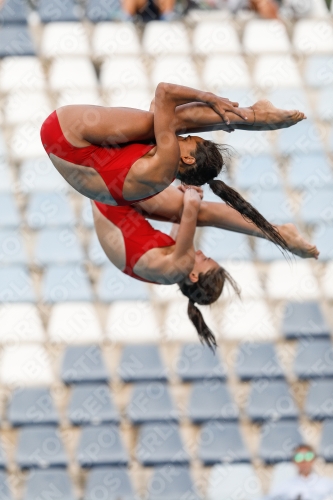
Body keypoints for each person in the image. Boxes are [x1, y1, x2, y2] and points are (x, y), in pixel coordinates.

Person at [41, 83, 306, 254]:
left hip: (64, 135)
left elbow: (164, 94)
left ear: (189, 159)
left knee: (160, 121)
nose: (185, 138)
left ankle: (254, 116)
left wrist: (209, 97)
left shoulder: (164, 163)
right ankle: (250, 119)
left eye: (190, 141)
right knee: (161, 122)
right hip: (91, 172)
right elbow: (160, 109)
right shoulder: (163, 174)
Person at [92, 183, 319, 348]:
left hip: (110, 191)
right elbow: (182, 219)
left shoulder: (177, 266)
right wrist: (187, 191)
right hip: (111, 196)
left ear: (193, 275)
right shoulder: (169, 272)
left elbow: (191, 207)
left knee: (202, 212)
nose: (200, 253)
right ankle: (275, 232)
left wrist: (191, 191)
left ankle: (277, 233)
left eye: (204, 260)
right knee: (190, 207)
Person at [268, 444, 333, 500]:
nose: (303, 460)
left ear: (313, 459)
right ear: (294, 461)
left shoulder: (327, 484)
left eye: (308, 456)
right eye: (299, 457)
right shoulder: (284, 486)